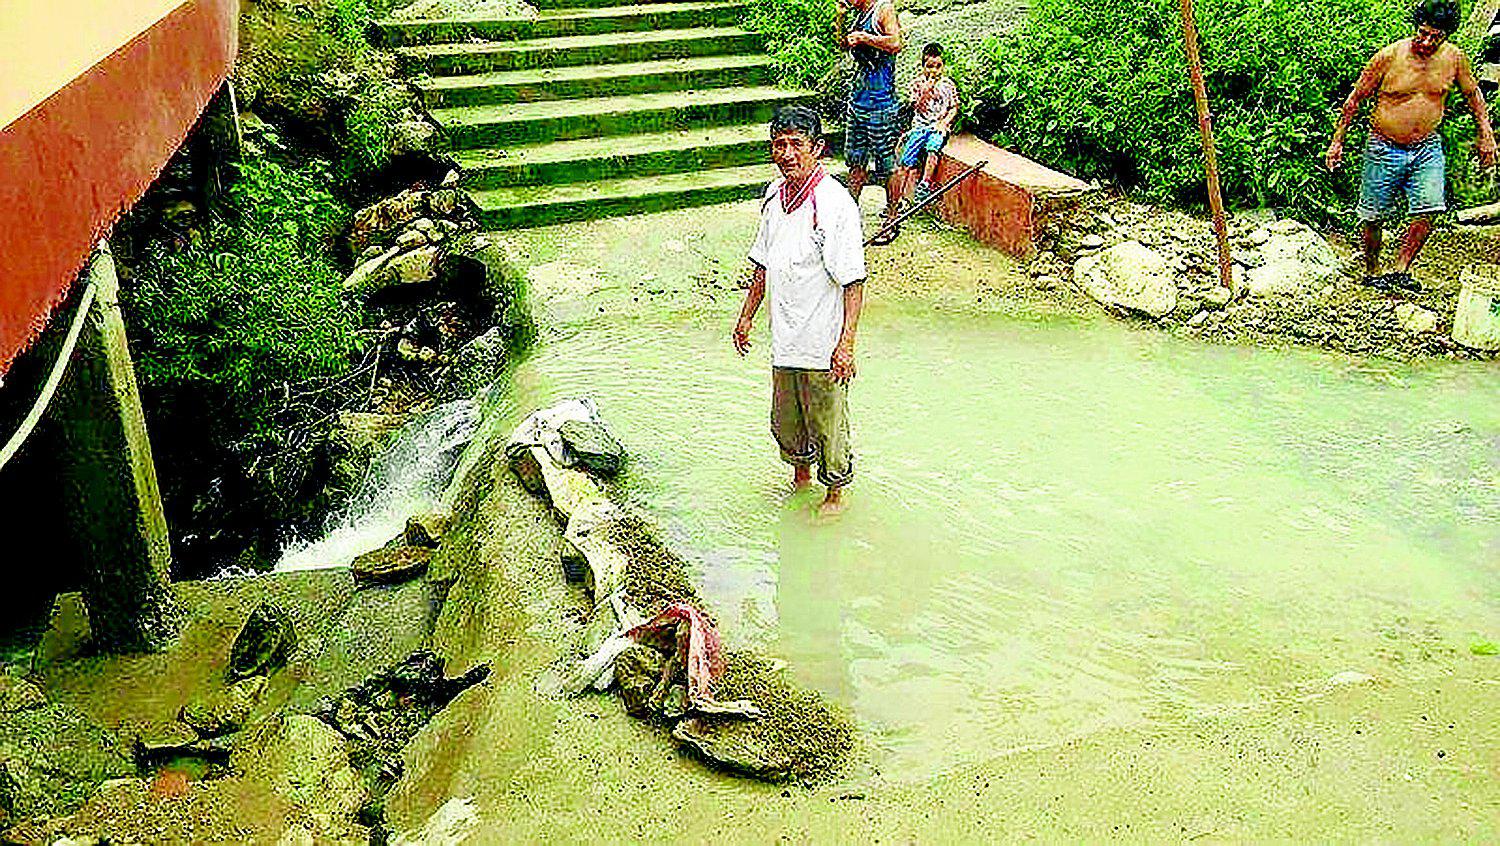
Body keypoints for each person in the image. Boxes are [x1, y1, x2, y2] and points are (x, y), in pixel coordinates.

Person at [733, 106, 866, 518]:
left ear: (818, 148)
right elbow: (763, 262)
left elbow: (853, 281)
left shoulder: (834, 203)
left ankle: (835, 496)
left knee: (828, 422)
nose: (787, 153)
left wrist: (846, 345)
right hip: (784, 338)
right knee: (787, 421)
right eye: (780, 144)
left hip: (822, 342)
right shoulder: (774, 196)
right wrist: (746, 315)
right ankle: (801, 479)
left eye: (796, 145)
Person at [1325, 0, 1497, 291]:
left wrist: (1486, 134)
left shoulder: (1454, 59)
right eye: (1422, 33)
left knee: (1429, 207)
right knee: (1373, 215)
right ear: (1415, 27)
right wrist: (1337, 141)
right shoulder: (1389, 57)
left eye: (1435, 37)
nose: (1427, 41)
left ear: (1446, 36)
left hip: (1427, 148)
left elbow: (1474, 96)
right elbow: (1353, 101)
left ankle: (1400, 268)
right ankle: (1372, 269)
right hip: (1383, 145)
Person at [837, 0, 904, 244]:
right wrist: (841, 20)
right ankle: (847, 213)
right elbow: (843, 45)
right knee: (855, 160)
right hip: (858, 100)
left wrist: (865, 37)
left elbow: (895, 43)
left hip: (881, 102)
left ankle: (893, 217)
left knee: (887, 164)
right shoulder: (857, 14)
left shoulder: (883, 9)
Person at [894, 42, 960, 210]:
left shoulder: (948, 85)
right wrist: (926, 91)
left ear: (943, 66)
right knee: (907, 160)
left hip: (937, 126)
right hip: (920, 126)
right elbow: (917, 107)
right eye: (929, 66)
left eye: (938, 66)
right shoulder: (917, 84)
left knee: (933, 148)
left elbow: (953, 108)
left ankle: (924, 184)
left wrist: (944, 123)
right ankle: (897, 198)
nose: (933, 71)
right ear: (923, 66)